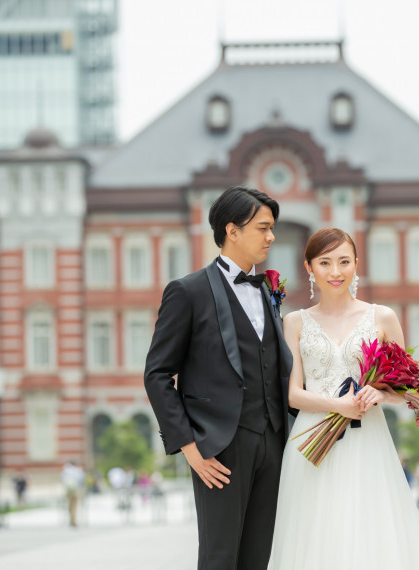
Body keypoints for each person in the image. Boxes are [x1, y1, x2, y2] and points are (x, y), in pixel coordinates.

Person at [144, 186, 292, 569]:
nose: (271, 237)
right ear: (233, 230)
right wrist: (191, 450)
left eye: (272, 228)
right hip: (218, 450)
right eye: (263, 228)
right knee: (219, 559)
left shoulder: (269, 294)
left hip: (273, 443)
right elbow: (158, 374)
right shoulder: (187, 292)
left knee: (257, 559)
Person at [271, 228, 419, 569]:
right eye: (325, 263)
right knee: (314, 538)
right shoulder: (294, 322)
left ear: (356, 264)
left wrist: (383, 392)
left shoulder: (382, 317)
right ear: (309, 267)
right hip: (308, 445)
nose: (335, 272)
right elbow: (292, 393)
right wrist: (338, 405)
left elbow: (413, 392)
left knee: (367, 535)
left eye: (344, 261)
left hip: (367, 443)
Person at [61, 460, 85, 528]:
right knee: (74, 505)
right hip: (75, 489)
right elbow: (81, 480)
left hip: (68, 490)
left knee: (69, 505)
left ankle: (71, 519)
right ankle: (73, 520)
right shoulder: (77, 471)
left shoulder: (65, 470)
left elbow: (62, 479)